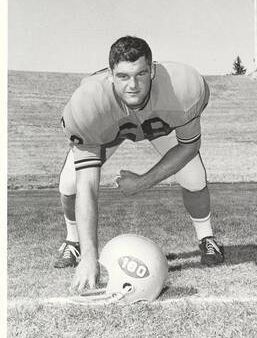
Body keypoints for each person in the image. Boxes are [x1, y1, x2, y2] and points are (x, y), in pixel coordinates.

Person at [55, 36, 224, 292]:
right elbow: (87, 186)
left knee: (194, 177)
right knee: (70, 184)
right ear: (110, 75)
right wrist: (92, 258)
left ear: (153, 70)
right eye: (123, 76)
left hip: (158, 126)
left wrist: (142, 182)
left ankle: (206, 237)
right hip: (109, 128)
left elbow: (189, 145)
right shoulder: (88, 105)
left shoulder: (182, 88)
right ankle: (73, 242)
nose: (133, 85)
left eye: (141, 74)